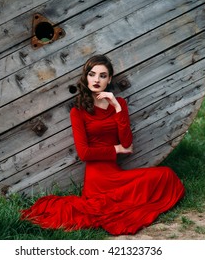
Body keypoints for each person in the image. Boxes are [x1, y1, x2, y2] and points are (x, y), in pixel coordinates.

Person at [20, 55, 185, 235]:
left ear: (110, 79)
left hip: (115, 173)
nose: (97, 80)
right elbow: (84, 153)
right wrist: (117, 149)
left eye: (102, 75)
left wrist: (116, 105)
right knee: (103, 205)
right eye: (92, 74)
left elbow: (127, 142)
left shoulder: (118, 104)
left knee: (166, 175)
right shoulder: (78, 111)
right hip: (97, 178)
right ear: (86, 77)